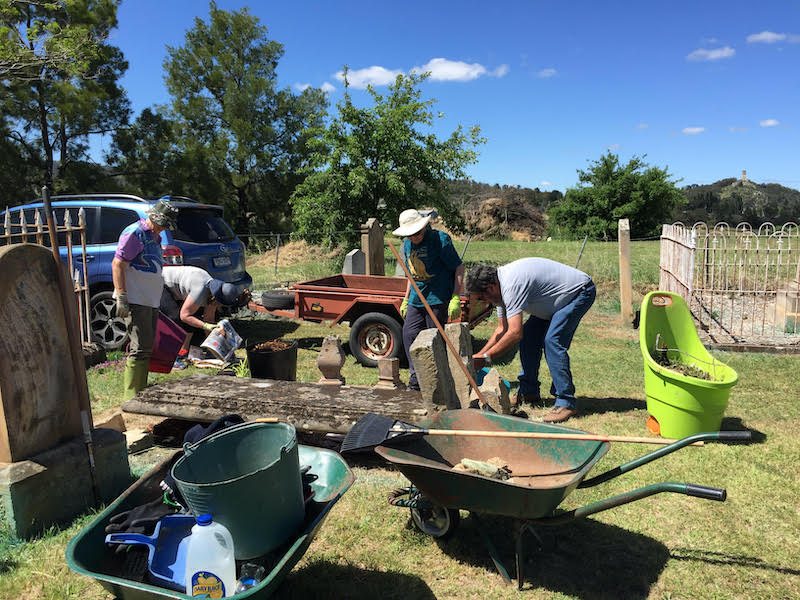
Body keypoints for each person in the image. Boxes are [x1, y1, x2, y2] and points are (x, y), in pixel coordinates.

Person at [465, 258, 595, 423]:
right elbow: (501, 329)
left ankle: (566, 402)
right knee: (528, 339)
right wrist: (479, 355)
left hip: (578, 292)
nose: (485, 302)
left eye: (482, 298)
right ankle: (528, 392)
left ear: (490, 288)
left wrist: (487, 358)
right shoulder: (498, 288)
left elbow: (514, 333)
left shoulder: (511, 286)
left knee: (552, 341)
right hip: (553, 301)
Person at [112, 198, 179, 400]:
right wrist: (122, 295)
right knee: (139, 347)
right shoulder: (135, 233)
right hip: (135, 298)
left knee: (147, 346)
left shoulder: (155, 237)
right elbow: (118, 264)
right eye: (164, 224)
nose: (165, 228)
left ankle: (140, 389)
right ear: (155, 218)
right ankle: (132, 395)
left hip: (149, 300)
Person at [393, 209, 464, 391]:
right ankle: (416, 379)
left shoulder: (440, 240)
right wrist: (406, 299)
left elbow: (459, 267)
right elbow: (411, 275)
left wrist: (456, 296)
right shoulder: (408, 245)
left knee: (434, 340)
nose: (414, 237)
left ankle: (437, 381)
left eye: (417, 232)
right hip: (417, 300)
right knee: (409, 335)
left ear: (424, 227)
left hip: (437, 298)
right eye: (410, 234)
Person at [160, 265, 246, 368]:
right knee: (175, 318)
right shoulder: (201, 291)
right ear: (217, 298)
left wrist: (215, 348)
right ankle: (174, 359)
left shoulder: (215, 291)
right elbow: (184, 316)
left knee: (193, 320)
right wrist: (205, 325)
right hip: (158, 282)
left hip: (176, 285)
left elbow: (208, 319)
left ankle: (183, 353)